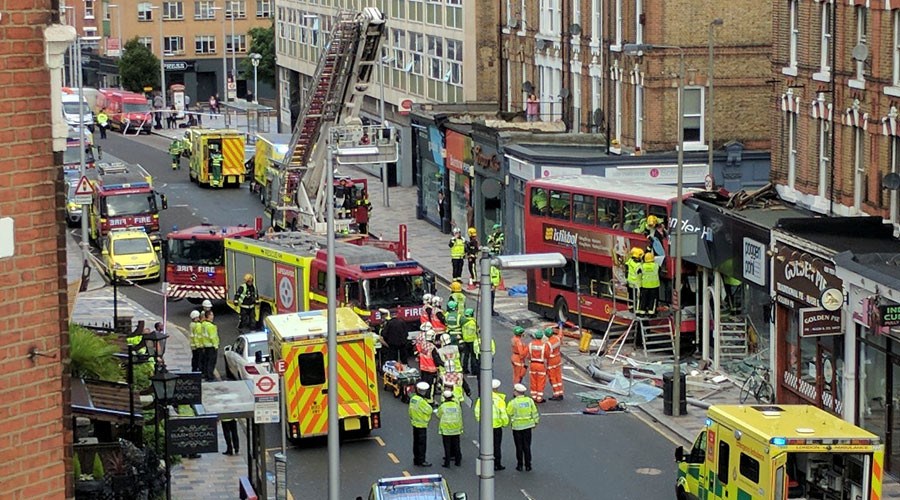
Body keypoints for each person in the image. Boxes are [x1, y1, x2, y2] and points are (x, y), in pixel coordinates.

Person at [475, 379, 509, 471]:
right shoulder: (499, 400)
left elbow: (477, 411)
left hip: (486, 426)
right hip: (497, 426)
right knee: (497, 446)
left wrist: (480, 421)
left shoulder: (482, 398)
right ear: (497, 388)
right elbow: (503, 413)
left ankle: (487, 463)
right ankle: (497, 464)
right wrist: (505, 423)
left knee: (486, 445)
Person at [507, 383, 540, 471]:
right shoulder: (529, 401)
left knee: (519, 446)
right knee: (527, 446)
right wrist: (536, 422)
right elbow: (534, 412)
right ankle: (528, 465)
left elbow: (508, 412)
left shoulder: (513, 402)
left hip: (517, 427)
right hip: (528, 426)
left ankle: (520, 465)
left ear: (516, 392)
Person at [409, 381, 434, 467]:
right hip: (422, 425)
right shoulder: (422, 402)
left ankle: (416, 459)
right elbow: (429, 410)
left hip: (414, 423)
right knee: (422, 444)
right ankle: (421, 460)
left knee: (416, 443)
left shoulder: (413, 399)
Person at [437, 390, 463, 467]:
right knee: (456, 445)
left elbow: (438, 415)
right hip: (456, 427)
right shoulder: (456, 405)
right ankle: (458, 461)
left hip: (446, 429)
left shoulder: (443, 406)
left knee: (447, 446)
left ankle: (447, 462)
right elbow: (460, 415)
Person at [415, 324, 441, 401]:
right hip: (431, 369)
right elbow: (436, 359)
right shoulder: (432, 347)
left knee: (424, 383)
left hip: (423, 367)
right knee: (431, 386)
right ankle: (430, 400)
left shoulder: (423, 344)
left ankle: (423, 397)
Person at [528, 330, 549, 403]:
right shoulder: (544, 345)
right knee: (541, 381)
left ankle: (533, 396)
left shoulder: (530, 344)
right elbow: (547, 355)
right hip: (541, 365)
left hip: (532, 364)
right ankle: (539, 397)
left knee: (533, 380)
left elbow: (527, 355)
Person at [545, 327, 564, 400]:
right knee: (558, 377)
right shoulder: (557, 338)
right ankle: (561, 392)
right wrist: (560, 327)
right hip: (558, 359)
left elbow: (546, 354)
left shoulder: (548, 344)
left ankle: (556, 394)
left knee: (552, 378)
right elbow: (561, 335)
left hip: (552, 361)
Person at [640, 251, 660, 316]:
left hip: (645, 286)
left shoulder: (642, 266)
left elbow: (639, 273)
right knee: (652, 300)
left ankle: (642, 313)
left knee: (643, 299)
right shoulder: (656, 266)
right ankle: (651, 313)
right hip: (654, 286)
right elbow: (660, 272)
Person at [201, 310, 220, 381]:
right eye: (211, 315)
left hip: (205, 346)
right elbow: (213, 337)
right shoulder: (211, 326)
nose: (213, 316)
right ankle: (210, 377)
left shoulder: (203, 324)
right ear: (208, 316)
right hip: (211, 346)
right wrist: (216, 346)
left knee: (207, 361)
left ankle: (206, 375)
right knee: (211, 362)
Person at [625, 247, 644, 313]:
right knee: (638, 298)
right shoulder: (638, 265)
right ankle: (637, 310)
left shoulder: (629, 261)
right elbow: (642, 273)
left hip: (630, 283)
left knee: (631, 296)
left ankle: (631, 308)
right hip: (637, 284)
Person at [460, 308, 478, 375]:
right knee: (473, 356)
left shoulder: (463, 322)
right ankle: (474, 370)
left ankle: (465, 369)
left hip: (465, 340)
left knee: (466, 355)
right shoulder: (473, 322)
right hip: (472, 340)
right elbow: (477, 330)